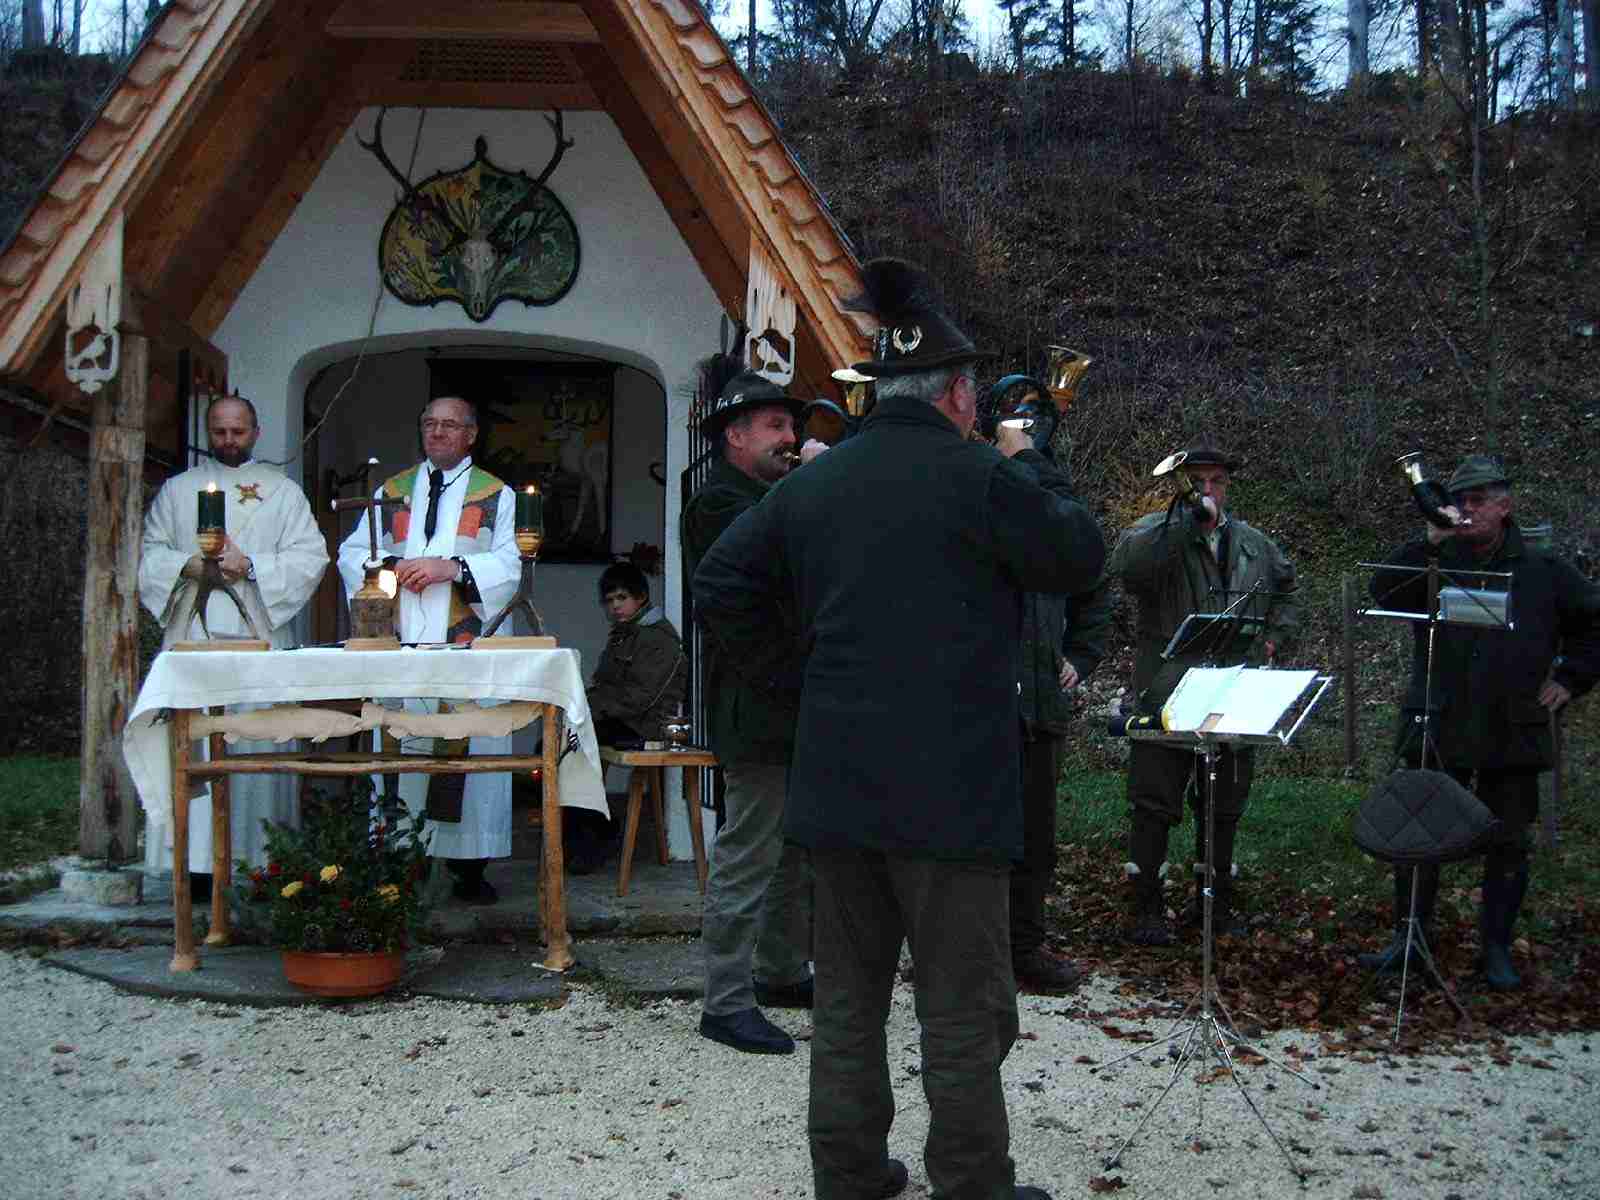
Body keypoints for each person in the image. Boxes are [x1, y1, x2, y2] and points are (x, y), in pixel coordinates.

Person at [694, 257, 1104, 1200]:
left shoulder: (814, 484)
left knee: (848, 1000)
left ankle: (846, 1174)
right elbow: (1077, 554)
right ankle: (970, 1182)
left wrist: (798, 681)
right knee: (962, 1005)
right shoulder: (983, 475)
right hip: (954, 792)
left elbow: (722, 582)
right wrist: (1028, 458)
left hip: (838, 785)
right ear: (959, 395)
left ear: (881, 390)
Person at [1362, 454, 1600, 990]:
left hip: (1511, 724)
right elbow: (1384, 592)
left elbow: (1593, 624)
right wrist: (1430, 540)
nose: (1466, 510)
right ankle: (1409, 940)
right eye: (1460, 501)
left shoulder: (1542, 568)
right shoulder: (1436, 558)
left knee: (1508, 840)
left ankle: (1495, 948)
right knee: (1418, 833)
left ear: (1504, 506)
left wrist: (1571, 677)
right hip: (1438, 720)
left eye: (1477, 501)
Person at [1107, 441, 1298, 946]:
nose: (1208, 490)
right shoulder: (1154, 534)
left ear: (1228, 486)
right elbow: (1129, 570)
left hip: (1232, 688)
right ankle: (1145, 908)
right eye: (1197, 482)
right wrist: (1183, 526)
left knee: (1223, 804)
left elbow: (1286, 592)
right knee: (1153, 801)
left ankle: (1215, 904)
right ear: (1181, 487)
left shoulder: (1254, 544)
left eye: (1216, 481)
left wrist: (1275, 637)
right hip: (1167, 689)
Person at [336, 395, 521, 904]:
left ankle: (469, 865)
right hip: (403, 636)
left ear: (471, 434)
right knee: (403, 739)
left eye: (449, 425)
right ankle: (402, 859)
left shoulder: (497, 495)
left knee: (468, 742)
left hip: (466, 639)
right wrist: (390, 567)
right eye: (429, 424)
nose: (437, 433)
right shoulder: (392, 492)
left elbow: (513, 564)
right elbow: (353, 553)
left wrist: (454, 569)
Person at [138, 394, 329, 885]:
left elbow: (311, 557)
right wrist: (187, 564)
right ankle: (195, 866)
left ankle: (262, 861)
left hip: (258, 632)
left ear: (256, 432)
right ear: (208, 431)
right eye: (219, 431)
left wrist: (252, 565)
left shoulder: (282, 492)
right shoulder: (177, 491)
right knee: (194, 745)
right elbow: (149, 553)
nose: (228, 440)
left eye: (238, 431)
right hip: (193, 634)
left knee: (254, 742)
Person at [682, 365, 814, 1056]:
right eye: (775, 426)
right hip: (754, 704)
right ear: (734, 435)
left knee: (794, 850)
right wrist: (814, 482)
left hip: (795, 701)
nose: (789, 437)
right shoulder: (717, 504)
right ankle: (726, 1001)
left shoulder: (769, 496)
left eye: (791, 426)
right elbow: (762, 569)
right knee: (750, 850)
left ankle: (782, 970)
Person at [576, 561, 686, 873]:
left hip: (644, 726)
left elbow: (639, 699)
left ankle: (592, 839)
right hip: (622, 719)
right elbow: (604, 686)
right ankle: (594, 832)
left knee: (574, 745)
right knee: (564, 743)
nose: (615, 606)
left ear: (641, 597)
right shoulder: (625, 633)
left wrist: (591, 710)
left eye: (622, 598)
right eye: (610, 600)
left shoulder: (657, 638)